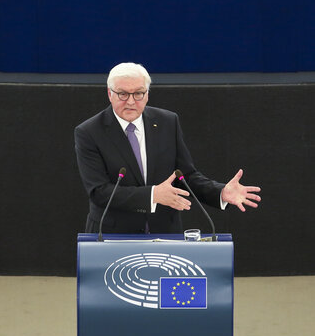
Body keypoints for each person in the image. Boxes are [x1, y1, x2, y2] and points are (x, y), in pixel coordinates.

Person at [74, 62, 261, 234]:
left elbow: (185, 176)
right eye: (123, 94)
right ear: (110, 93)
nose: (131, 101)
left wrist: (220, 192)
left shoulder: (167, 122)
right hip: (111, 235)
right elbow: (99, 192)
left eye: (138, 93)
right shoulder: (89, 132)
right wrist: (154, 195)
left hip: (164, 232)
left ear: (147, 94)